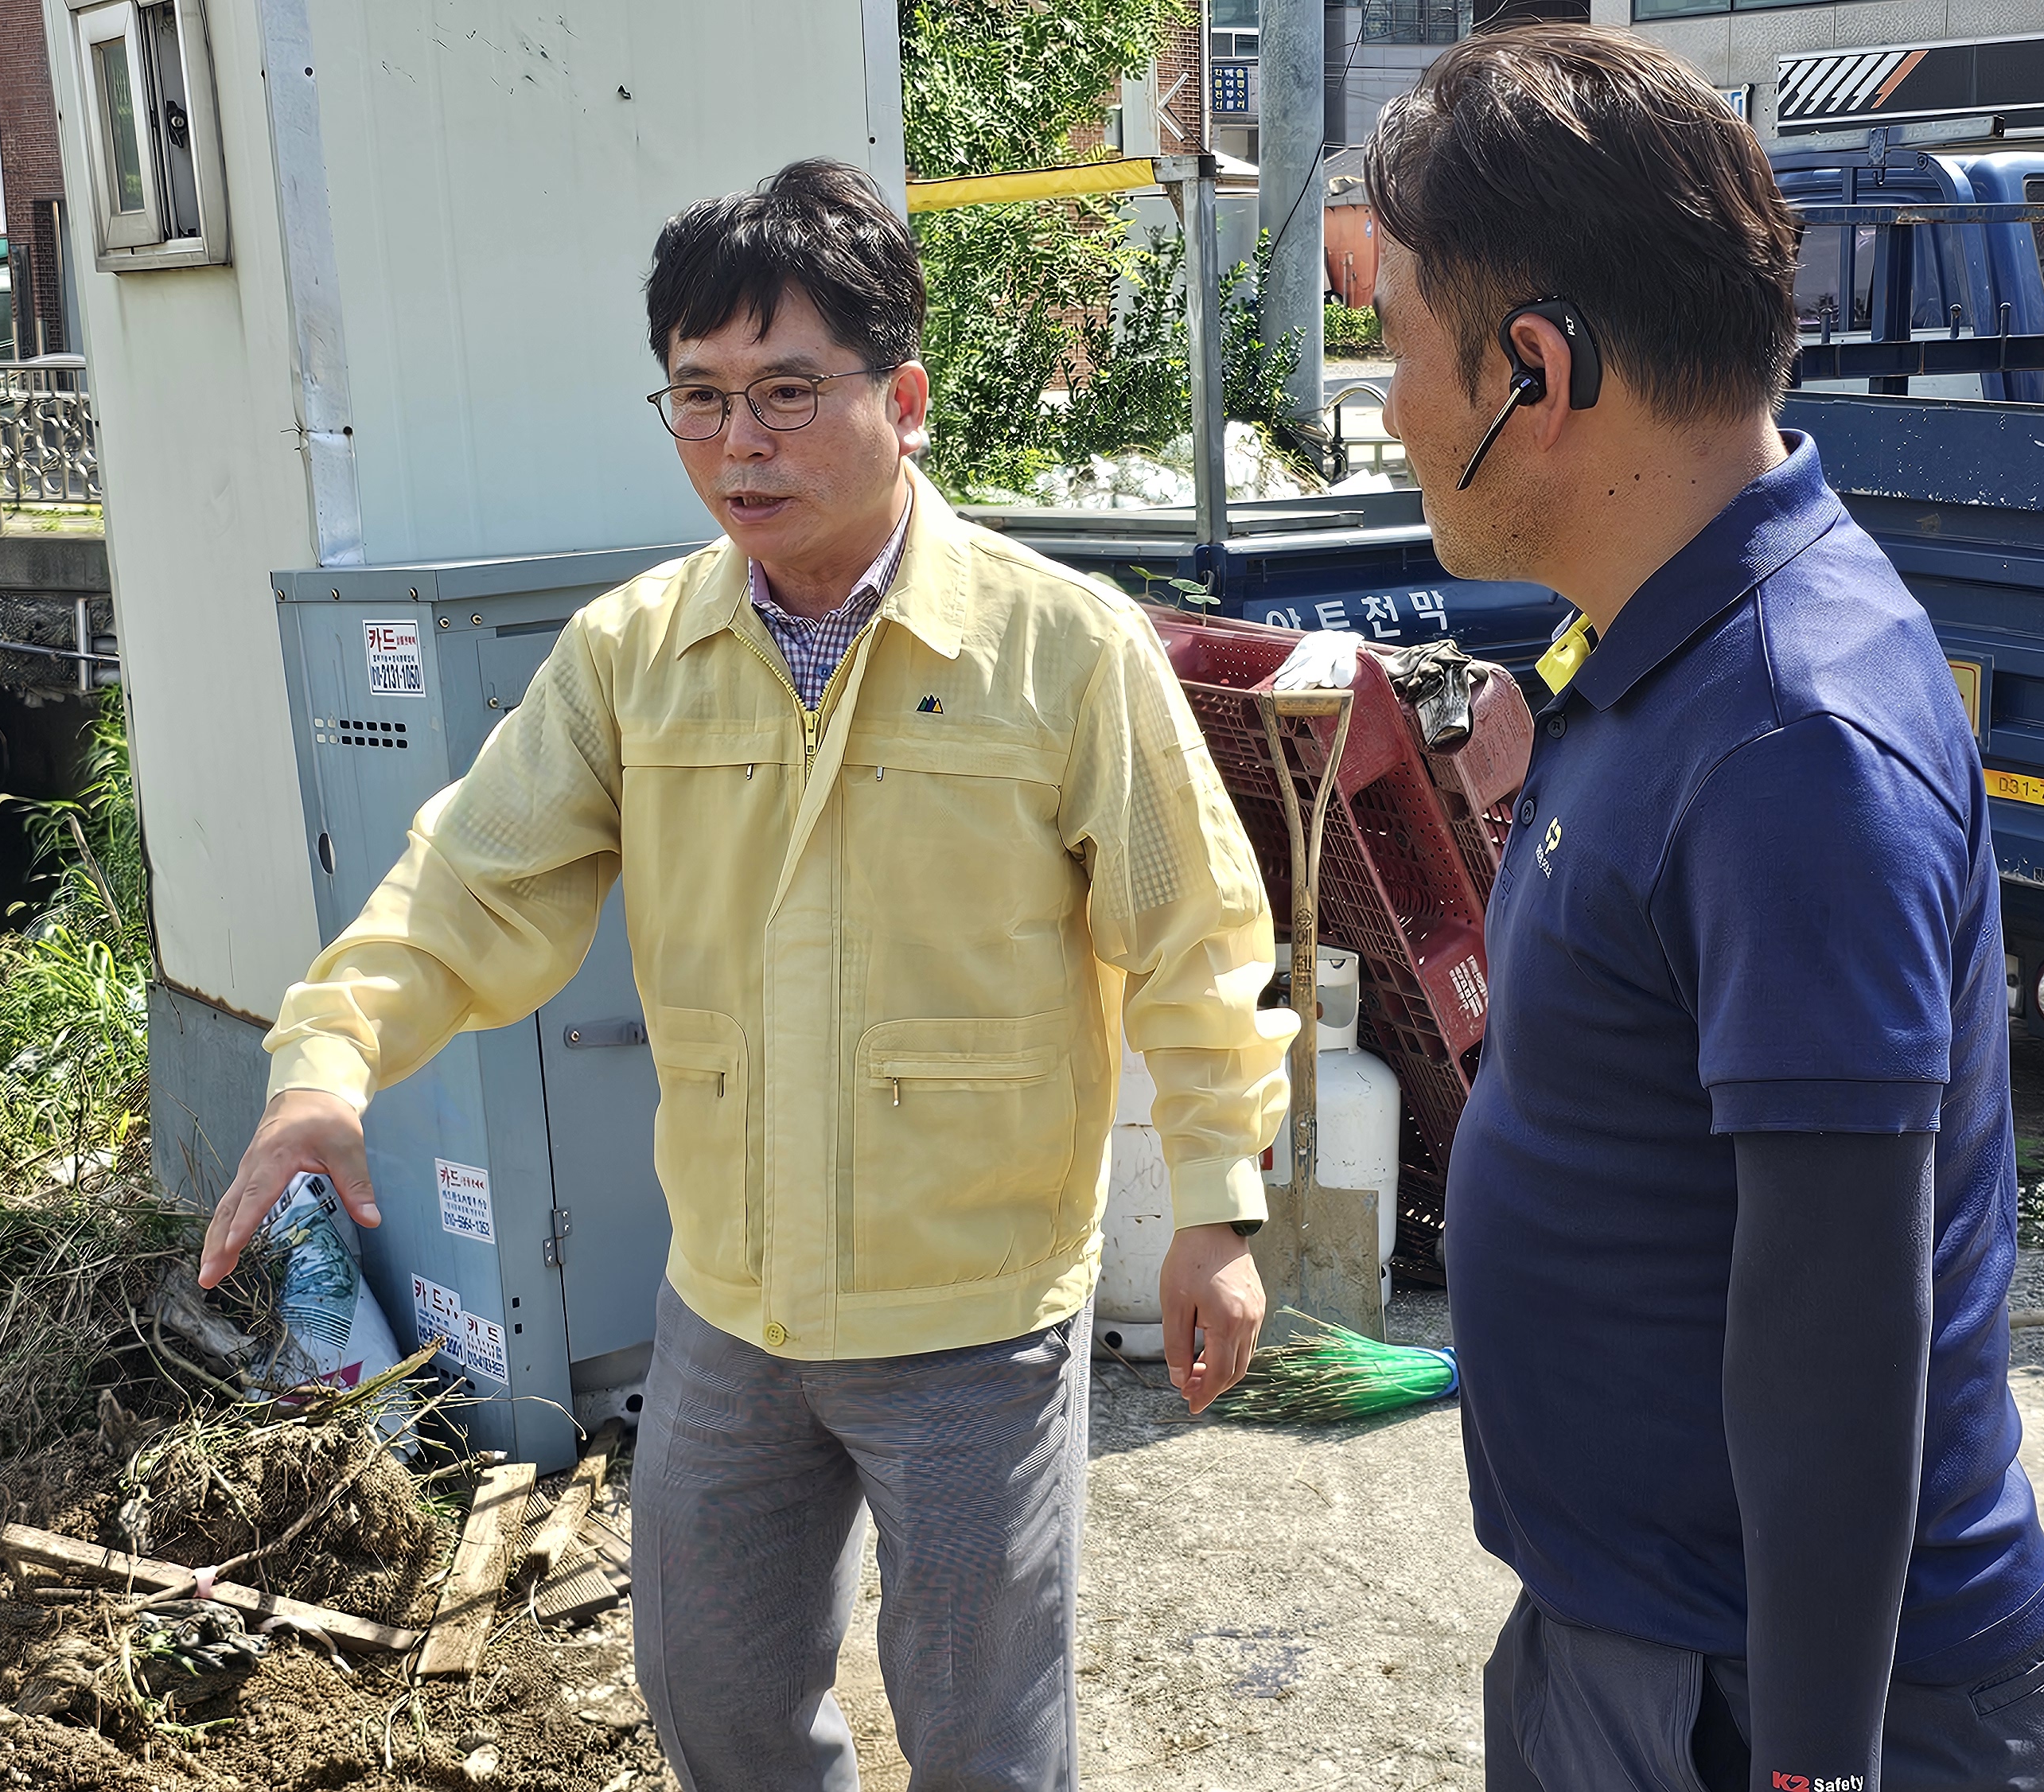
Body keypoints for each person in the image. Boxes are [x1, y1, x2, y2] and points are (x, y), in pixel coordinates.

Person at [190, 159, 1292, 1792]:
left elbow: (1194, 934)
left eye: (786, 391)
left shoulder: (1057, 649)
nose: (738, 442)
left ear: (901, 398)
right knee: (712, 1697)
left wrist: (1213, 1202)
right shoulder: (637, 656)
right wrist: (325, 1064)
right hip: (729, 1295)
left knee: (988, 1733)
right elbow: (466, 879)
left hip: (967, 1306)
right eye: (696, 399)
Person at [1364, 27, 2044, 1792]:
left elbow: (1839, 1312)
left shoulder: (1785, 740)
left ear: (1532, 368)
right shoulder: (1658, 647)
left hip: (1786, 1697)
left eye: (1390, 344)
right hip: (1637, 1630)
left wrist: (1813, 1765)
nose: (1383, 408)